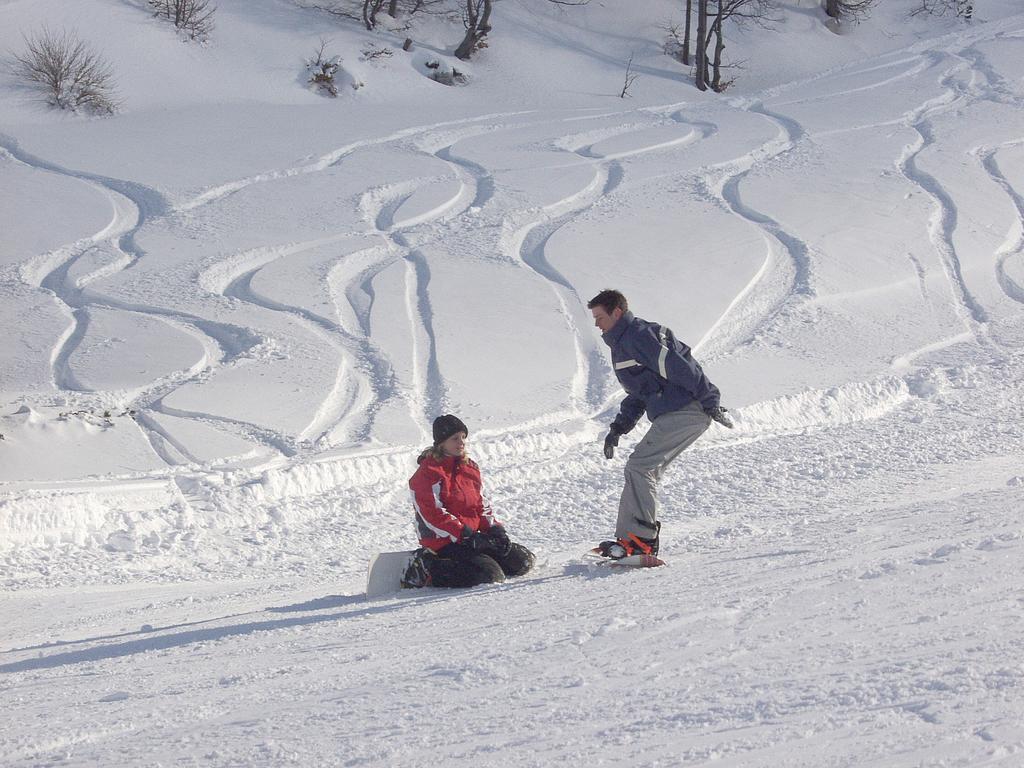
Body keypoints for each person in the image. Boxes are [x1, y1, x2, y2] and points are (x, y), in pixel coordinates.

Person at [588, 289, 734, 560]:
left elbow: (678, 366)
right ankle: (631, 540)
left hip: (687, 409)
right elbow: (641, 391)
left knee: (640, 466)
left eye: (599, 317)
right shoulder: (623, 343)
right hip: (675, 411)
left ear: (616, 312)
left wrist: (710, 400)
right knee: (644, 471)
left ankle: (641, 540)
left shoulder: (637, 336)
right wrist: (619, 427)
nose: (597, 324)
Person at [403, 414, 535, 588]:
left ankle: (482, 560)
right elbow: (432, 514)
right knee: (489, 576)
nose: (461, 442)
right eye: (455, 438)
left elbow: (480, 505)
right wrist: (465, 534)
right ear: (441, 442)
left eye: (463, 437)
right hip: (443, 541)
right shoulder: (427, 473)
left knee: (522, 561)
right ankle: (426, 568)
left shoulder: (469, 468)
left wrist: (495, 530)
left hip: (471, 538)